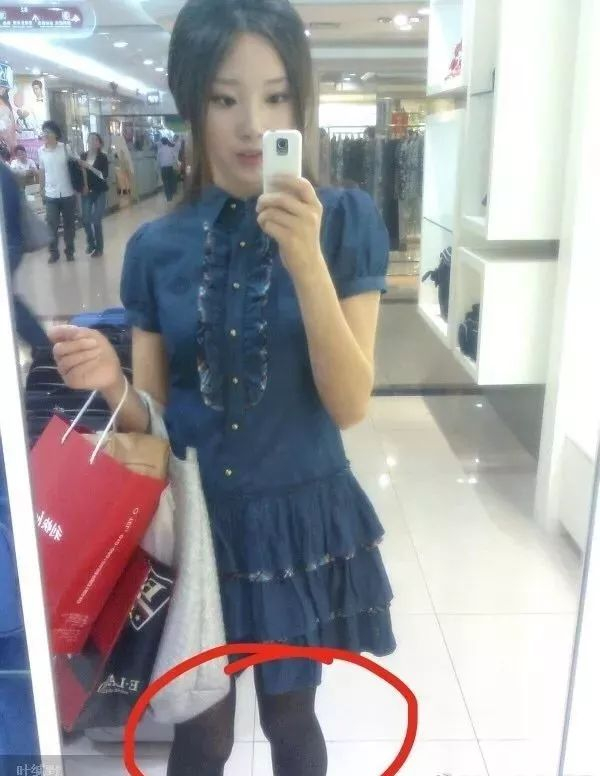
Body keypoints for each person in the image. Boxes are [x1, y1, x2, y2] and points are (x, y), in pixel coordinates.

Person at [49, 1, 395, 774]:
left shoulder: (345, 221)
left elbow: (350, 404)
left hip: (296, 522)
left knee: (290, 719)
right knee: (199, 732)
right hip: (198, 529)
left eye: (275, 97)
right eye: (224, 98)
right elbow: (154, 428)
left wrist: (305, 260)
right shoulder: (155, 246)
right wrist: (111, 385)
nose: (250, 125)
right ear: (191, 102)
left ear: (300, 103)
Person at [0, 162, 50, 350]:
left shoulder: (3, 174)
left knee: (7, 301)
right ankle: (42, 345)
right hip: (11, 241)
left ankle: (42, 346)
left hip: (8, 243)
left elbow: (8, 212)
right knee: (7, 299)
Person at [38, 120, 78, 264]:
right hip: (51, 195)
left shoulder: (66, 148)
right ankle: (53, 252)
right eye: (44, 132)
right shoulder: (41, 151)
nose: (45, 135)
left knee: (69, 225)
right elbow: (41, 171)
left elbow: (77, 165)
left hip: (68, 193)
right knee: (51, 225)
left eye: (48, 132)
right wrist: (41, 189)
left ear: (56, 134)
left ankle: (70, 251)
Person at [80, 132, 109, 257]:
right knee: (86, 219)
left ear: (99, 143)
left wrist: (90, 167)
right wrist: (82, 186)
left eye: (95, 140)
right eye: (90, 139)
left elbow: (104, 175)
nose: (92, 142)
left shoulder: (103, 157)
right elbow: (80, 173)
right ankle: (91, 242)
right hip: (87, 191)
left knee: (96, 220)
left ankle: (99, 248)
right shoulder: (83, 155)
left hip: (100, 191)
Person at [157, 136, 178, 202]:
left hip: (163, 168)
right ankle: (171, 196)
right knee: (170, 182)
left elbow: (158, 160)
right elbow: (175, 158)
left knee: (165, 183)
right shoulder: (171, 149)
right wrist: (173, 162)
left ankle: (168, 197)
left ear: (162, 142)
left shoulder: (160, 150)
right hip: (170, 167)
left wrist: (157, 168)